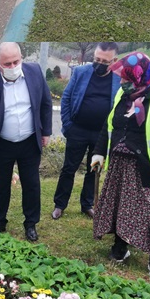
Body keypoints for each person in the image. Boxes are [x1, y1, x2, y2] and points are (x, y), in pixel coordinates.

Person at [91, 52, 150, 280]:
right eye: (122, 79)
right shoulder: (126, 92)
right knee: (121, 205)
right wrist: (98, 151)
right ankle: (121, 245)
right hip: (121, 161)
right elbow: (110, 125)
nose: (122, 83)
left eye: (127, 79)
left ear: (141, 75)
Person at [0, 43, 52, 242]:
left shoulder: (34, 72)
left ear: (21, 58)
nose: (12, 67)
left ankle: (31, 224)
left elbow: (45, 102)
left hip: (29, 140)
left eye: (16, 62)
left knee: (31, 184)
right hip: (3, 143)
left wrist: (47, 132)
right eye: (7, 64)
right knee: (0, 185)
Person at [52, 43, 120, 220]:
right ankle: (60, 204)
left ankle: (87, 204)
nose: (99, 63)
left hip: (101, 135)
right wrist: (68, 125)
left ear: (114, 61)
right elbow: (66, 97)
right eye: (97, 59)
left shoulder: (119, 79)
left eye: (105, 61)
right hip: (78, 130)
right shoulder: (81, 73)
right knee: (69, 168)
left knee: (94, 170)